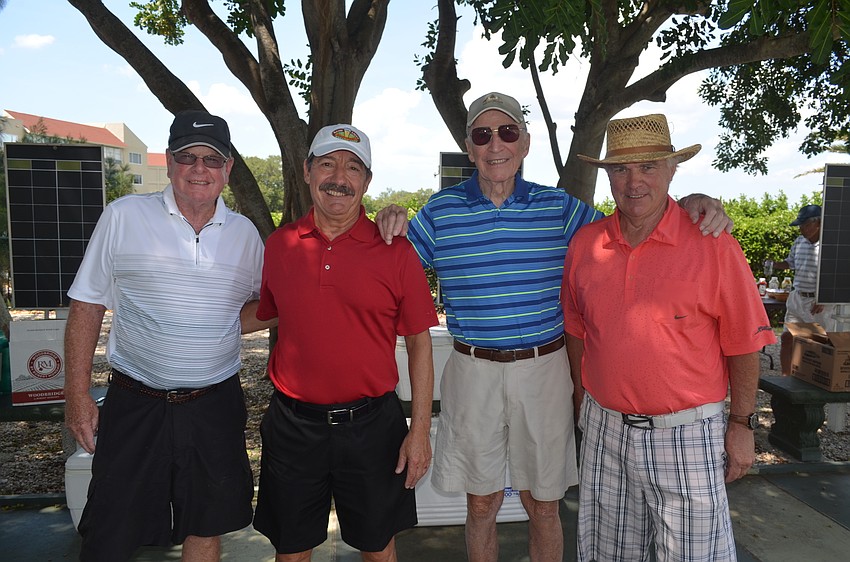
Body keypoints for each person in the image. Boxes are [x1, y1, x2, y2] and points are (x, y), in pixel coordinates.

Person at [375, 92, 733, 562]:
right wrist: (385, 220)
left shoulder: (559, 208)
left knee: (543, 505)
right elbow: (386, 271)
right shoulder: (440, 213)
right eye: (483, 135)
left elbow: (635, 222)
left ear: (525, 143)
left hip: (544, 371)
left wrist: (690, 203)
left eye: (508, 132)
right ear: (469, 147)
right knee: (480, 504)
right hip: (472, 370)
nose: (496, 144)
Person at [562, 113, 776, 562]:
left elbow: (743, 342)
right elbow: (577, 328)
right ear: (607, 176)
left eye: (648, 166)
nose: (633, 181)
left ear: (673, 169)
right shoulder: (585, 245)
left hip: (688, 435)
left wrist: (741, 425)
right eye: (621, 169)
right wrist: (582, 397)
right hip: (605, 430)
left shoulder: (712, 241)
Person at [64, 109, 274, 562]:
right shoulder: (123, 216)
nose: (200, 169)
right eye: (187, 157)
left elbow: (259, 307)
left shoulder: (245, 235)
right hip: (135, 402)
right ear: (169, 160)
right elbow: (87, 304)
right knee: (111, 531)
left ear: (228, 168)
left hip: (214, 405)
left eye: (212, 159)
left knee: (206, 524)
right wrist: (77, 395)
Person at [251, 124, 438, 561]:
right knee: (292, 550)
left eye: (353, 168)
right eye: (327, 164)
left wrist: (420, 432)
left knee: (378, 548)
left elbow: (419, 343)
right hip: (293, 426)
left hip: (372, 427)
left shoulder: (396, 251)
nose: (339, 177)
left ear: (367, 181)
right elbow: (271, 310)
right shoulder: (280, 245)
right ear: (307, 171)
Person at [764, 204, 835, 374]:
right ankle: (786, 378)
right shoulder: (799, 241)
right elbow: (791, 263)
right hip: (797, 298)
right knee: (787, 337)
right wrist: (774, 264)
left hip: (818, 302)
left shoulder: (830, 245)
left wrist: (824, 297)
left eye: (805, 225)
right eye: (800, 225)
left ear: (818, 223)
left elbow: (838, 274)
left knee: (821, 342)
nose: (801, 229)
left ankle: (819, 378)